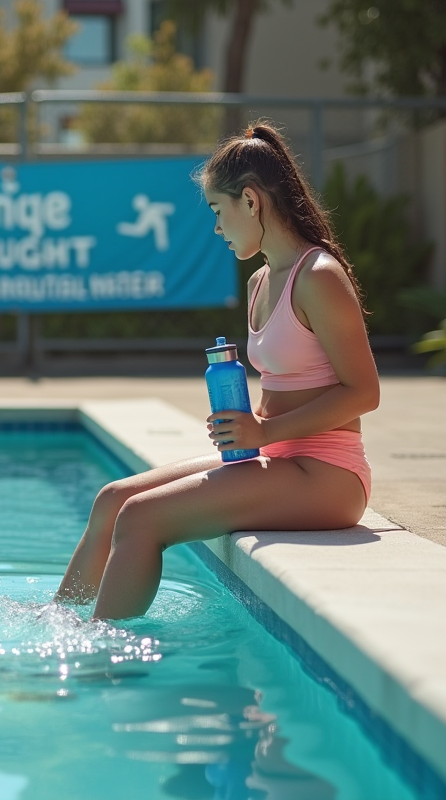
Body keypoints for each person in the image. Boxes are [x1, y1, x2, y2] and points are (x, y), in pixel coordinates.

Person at [55, 122, 379, 620]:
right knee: (112, 499)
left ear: (249, 201)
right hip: (277, 458)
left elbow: (363, 393)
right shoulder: (260, 282)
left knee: (140, 518)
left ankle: (100, 654)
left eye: (216, 210)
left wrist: (264, 430)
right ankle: (58, 625)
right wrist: (250, 424)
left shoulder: (318, 277)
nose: (216, 228)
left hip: (328, 475)